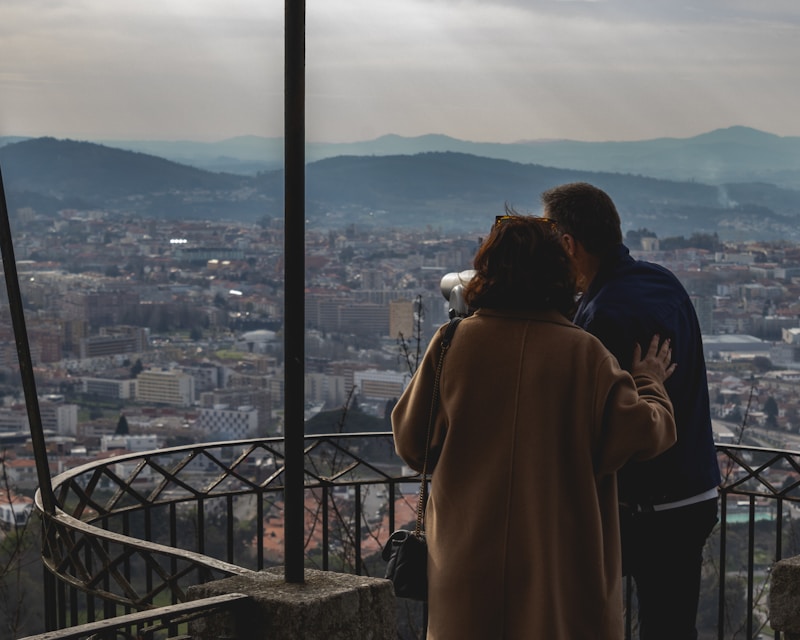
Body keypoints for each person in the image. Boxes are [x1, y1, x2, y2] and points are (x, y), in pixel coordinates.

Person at [392, 215, 677, 640]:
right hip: (558, 567)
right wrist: (650, 383)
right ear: (560, 274)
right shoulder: (586, 354)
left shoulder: (452, 343)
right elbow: (645, 434)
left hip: (467, 561)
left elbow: (412, 444)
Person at [541, 182, 722, 640]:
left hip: (643, 505)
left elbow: (602, 429)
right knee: (671, 624)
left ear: (568, 244)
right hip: (693, 490)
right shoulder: (662, 280)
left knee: (574, 612)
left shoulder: (603, 318)